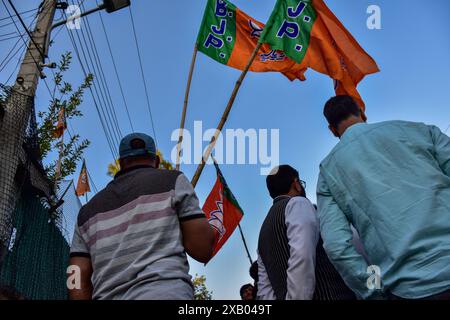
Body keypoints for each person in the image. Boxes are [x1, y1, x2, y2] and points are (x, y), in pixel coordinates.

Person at [317, 95, 450, 300]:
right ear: (362, 112)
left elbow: (337, 247)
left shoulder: (328, 171)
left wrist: (374, 292)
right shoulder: (419, 130)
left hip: (408, 289)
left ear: (332, 130)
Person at [68, 133, 215, 300]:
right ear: (156, 161)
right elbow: (202, 249)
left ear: (121, 163)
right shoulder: (173, 181)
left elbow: (75, 276)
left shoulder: (86, 212)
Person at [257, 165, 355, 300]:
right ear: (296, 183)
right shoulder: (297, 203)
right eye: (301, 183)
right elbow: (302, 255)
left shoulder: (262, 233)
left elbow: (264, 289)